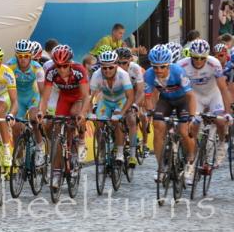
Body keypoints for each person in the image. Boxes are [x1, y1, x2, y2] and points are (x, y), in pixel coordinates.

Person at [144, 44, 196, 185]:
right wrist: (150, 111)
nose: (158, 70)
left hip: (183, 101)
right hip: (165, 100)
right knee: (158, 126)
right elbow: (148, 97)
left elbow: (191, 96)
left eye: (163, 66)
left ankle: (190, 162)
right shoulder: (149, 74)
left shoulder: (178, 72)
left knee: (184, 130)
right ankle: (161, 167)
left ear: (169, 65)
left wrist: (191, 117)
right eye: (155, 67)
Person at [177, 39, 233, 167]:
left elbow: (224, 89)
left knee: (219, 121)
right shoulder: (182, 65)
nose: (198, 61)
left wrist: (228, 113)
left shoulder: (214, 63)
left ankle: (222, 143)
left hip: (213, 94)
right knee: (194, 125)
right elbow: (178, 88)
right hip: (196, 96)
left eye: (202, 58)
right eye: (195, 57)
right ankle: (194, 153)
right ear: (190, 55)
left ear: (207, 56)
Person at [38, 44, 90, 177]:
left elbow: (86, 96)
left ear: (70, 63)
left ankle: (82, 140)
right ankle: (56, 170)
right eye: (58, 66)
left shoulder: (79, 70)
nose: (61, 69)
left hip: (79, 98)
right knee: (57, 131)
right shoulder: (51, 72)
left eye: (64, 66)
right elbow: (45, 97)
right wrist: (41, 112)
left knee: (75, 113)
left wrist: (83, 114)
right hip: (65, 98)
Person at [90, 50, 135, 164]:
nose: (107, 70)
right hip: (106, 101)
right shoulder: (97, 75)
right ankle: (101, 152)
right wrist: (90, 111)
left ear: (116, 66)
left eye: (110, 68)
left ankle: (120, 152)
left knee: (117, 121)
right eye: (104, 68)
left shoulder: (123, 75)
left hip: (121, 100)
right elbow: (89, 97)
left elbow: (130, 97)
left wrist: (122, 113)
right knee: (99, 124)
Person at [8, 39, 45, 165]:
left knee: (34, 119)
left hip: (32, 97)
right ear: (16, 56)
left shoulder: (37, 68)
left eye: (26, 56)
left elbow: (42, 92)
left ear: (31, 56)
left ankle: (40, 147)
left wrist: (41, 109)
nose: (23, 59)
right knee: (16, 127)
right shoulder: (10, 66)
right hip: (18, 98)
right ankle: (18, 154)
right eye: (20, 56)